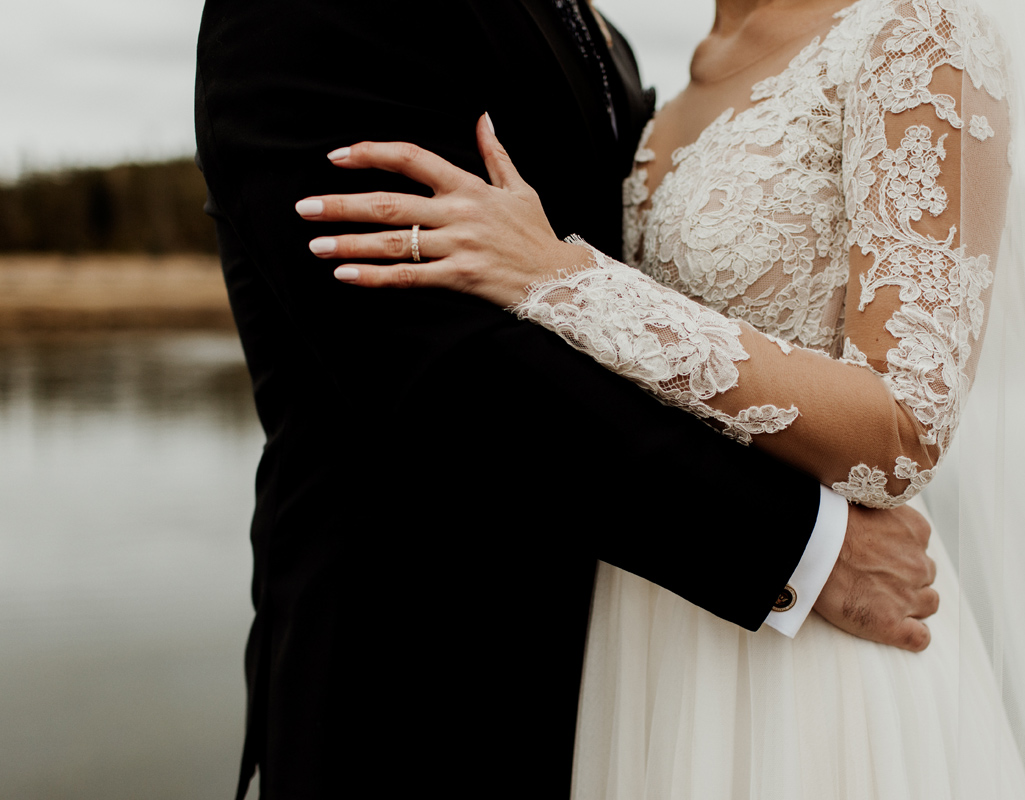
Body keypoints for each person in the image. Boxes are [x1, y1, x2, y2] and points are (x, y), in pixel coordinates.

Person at [296, 0, 1025, 796]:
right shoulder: (661, 80)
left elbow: (905, 428)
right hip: (650, 614)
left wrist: (563, 278)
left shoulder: (917, 36)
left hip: (818, 647)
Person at [194, 1, 941, 798]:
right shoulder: (300, 14)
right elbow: (439, 368)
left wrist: (562, 276)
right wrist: (800, 546)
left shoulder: (591, 29)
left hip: (638, 668)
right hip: (413, 690)